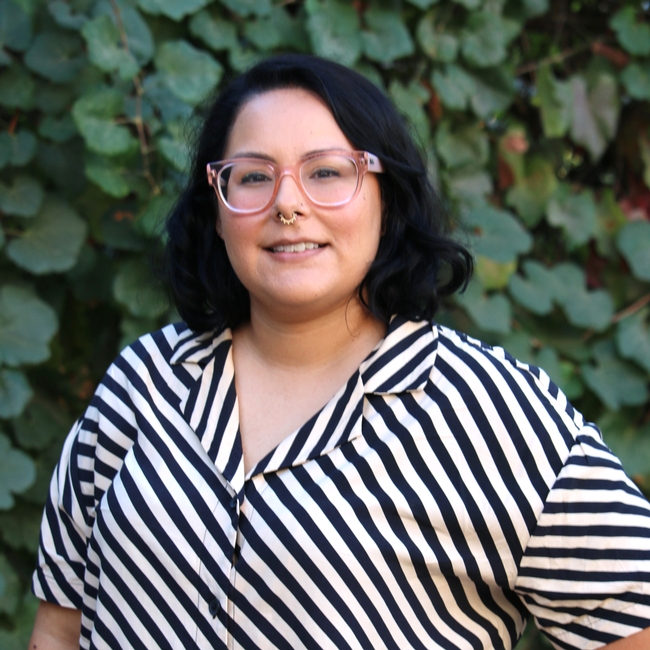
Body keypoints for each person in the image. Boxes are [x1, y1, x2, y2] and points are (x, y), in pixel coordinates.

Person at [29, 54, 650, 650]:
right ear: (217, 213)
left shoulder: (492, 414)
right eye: (252, 176)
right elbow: (58, 633)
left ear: (387, 197)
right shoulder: (140, 385)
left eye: (327, 171)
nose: (289, 204)